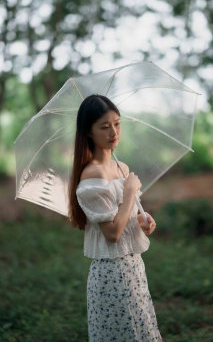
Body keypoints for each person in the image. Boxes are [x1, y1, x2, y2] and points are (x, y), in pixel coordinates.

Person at [68, 94, 163, 342]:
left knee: (141, 332)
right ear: (88, 132)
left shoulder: (122, 168)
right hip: (111, 275)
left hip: (134, 268)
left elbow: (125, 218)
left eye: (117, 123)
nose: (114, 132)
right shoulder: (91, 176)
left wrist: (143, 222)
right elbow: (112, 234)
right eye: (104, 126)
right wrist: (129, 193)